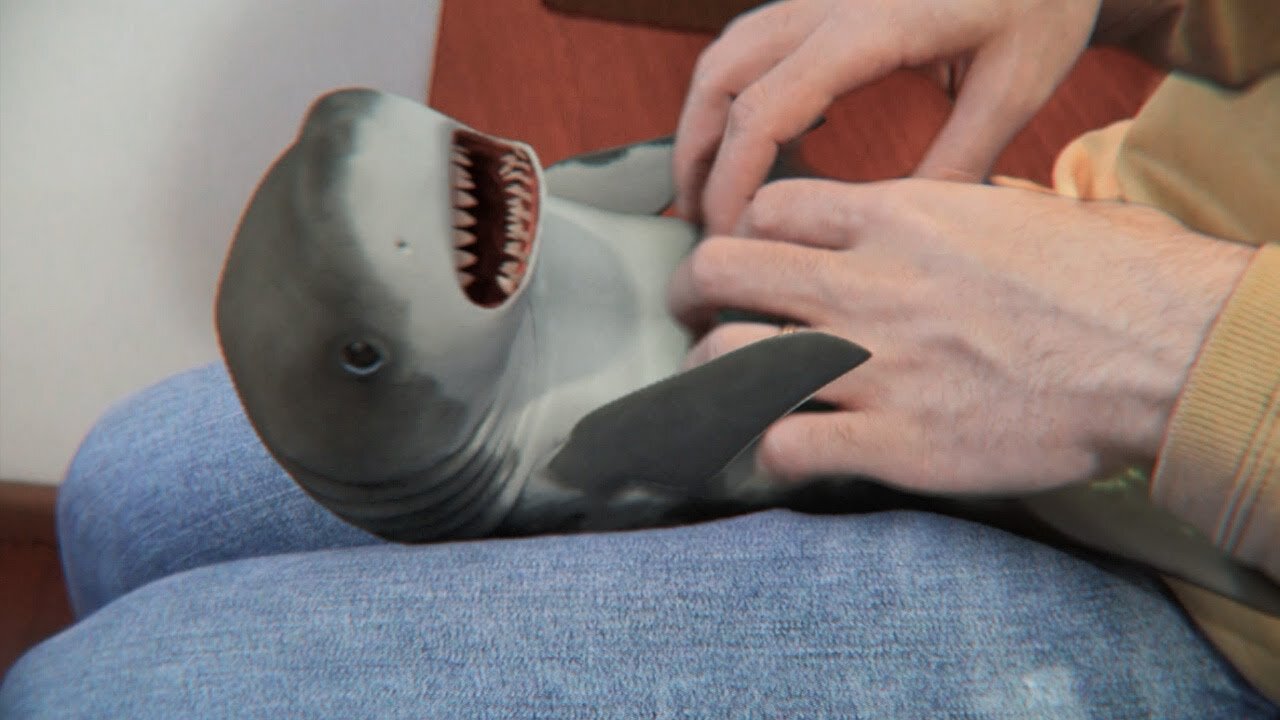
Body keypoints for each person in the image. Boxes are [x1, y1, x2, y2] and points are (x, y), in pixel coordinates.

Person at [2, 0, 1275, 716]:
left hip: (1230, 588)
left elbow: (708, 425)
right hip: (1088, 240)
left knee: (100, 699)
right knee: (129, 476)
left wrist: (1192, 357)